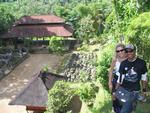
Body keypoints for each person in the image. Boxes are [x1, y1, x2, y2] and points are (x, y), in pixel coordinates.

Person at [116, 44, 148, 113]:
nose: (128, 53)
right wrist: (115, 91)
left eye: (131, 51)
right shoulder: (123, 63)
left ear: (135, 51)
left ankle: (137, 99)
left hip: (134, 91)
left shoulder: (141, 63)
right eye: (127, 51)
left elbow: (144, 78)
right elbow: (120, 79)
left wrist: (144, 90)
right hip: (123, 90)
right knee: (128, 109)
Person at [108, 43, 127, 113]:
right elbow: (111, 71)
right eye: (118, 51)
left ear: (125, 50)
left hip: (126, 82)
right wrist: (109, 83)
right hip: (116, 81)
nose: (120, 52)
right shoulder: (115, 59)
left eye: (121, 50)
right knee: (115, 99)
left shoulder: (129, 58)